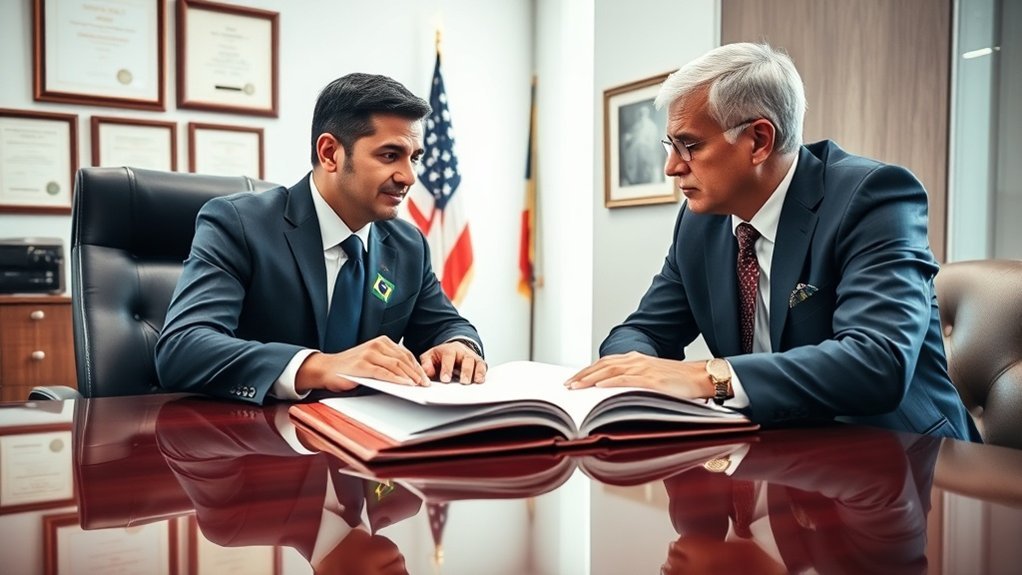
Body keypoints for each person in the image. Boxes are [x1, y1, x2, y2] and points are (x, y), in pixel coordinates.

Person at [567, 43, 978, 441]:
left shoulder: (874, 198)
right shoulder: (700, 225)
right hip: (775, 459)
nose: (672, 167)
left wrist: (708, 377)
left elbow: (877, 363)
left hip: (906, 463)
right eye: (670, 145)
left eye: (689, 145)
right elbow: (643, 331)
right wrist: (633, 371)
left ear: (760, 140)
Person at [156, 73, 485, 404]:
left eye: (414, 157)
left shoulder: (407, 244)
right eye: (389, 155)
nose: (409, 177)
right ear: (330, 153)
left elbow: (445, 326)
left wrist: (458, 347)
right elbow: (182, 347)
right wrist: (319, 366)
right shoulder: (239, 224)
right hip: (259, 438)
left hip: (367, 439)